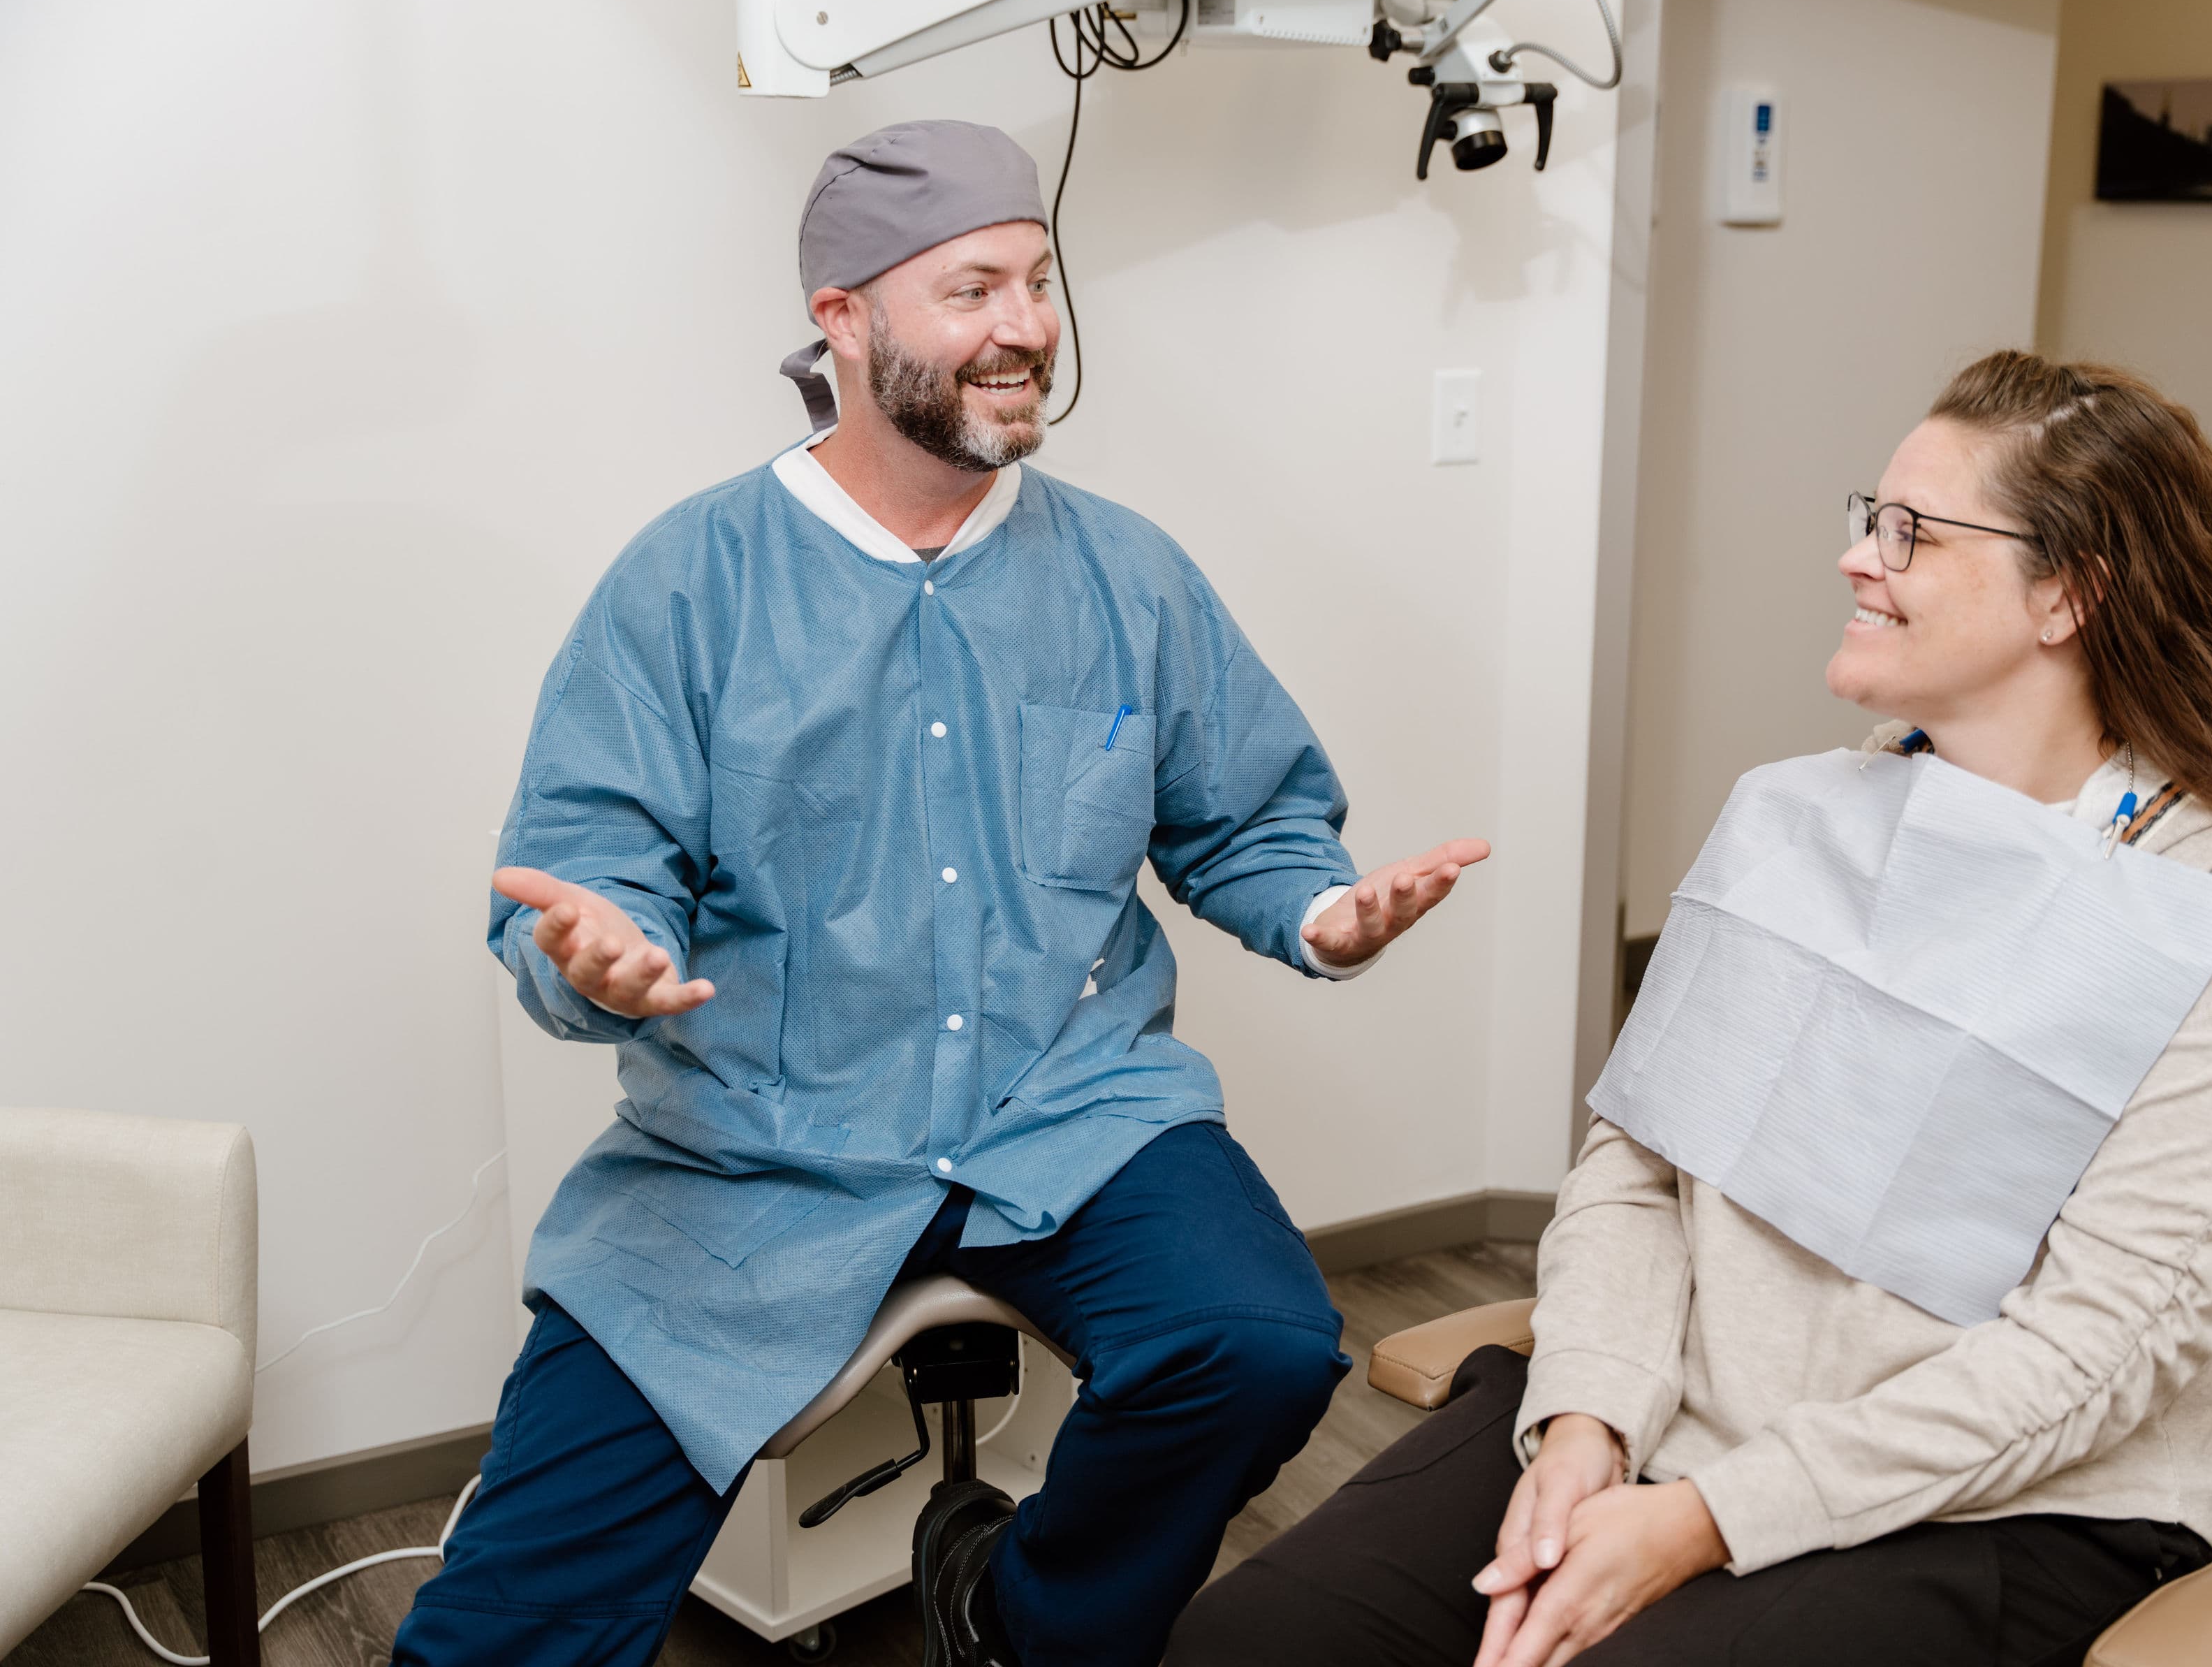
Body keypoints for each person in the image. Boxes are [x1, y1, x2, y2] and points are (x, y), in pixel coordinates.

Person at [393, 119, 1488, 1667]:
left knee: (1259, 1346)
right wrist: (602, 958)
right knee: (504, 1624)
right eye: (974, 288)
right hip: (754, 1151)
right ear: (843, 319)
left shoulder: (1131, 577)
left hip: (1073, 1114)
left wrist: (1315, 912)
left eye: (1037, 283)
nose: (1027, 327)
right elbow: (588, 872)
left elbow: (1244, 821)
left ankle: (1018, 1619)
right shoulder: (687, 583)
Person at [1170, 351, 2212, 1666]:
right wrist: (1588, 1418)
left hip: (2008, 1507)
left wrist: (1711, 1519)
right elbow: (1638, 1172)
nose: (1857, 560)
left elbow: (2102, 1352)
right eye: (1867, 518)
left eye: (1911, 534)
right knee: (1252, 1642)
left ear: (2068, 592)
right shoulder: (1805, 817)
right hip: (1669, 1422)